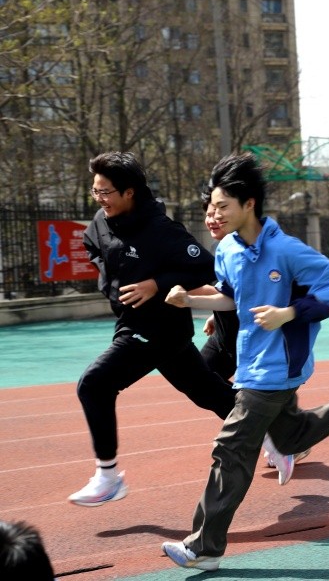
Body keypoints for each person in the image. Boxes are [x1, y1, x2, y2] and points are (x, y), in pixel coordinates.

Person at [161, 153, 329, 571]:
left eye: (222, 206)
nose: (215, 214)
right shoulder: (228, 249)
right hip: (252, 362)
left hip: (276, 366)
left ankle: (204, 547)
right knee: (290, 438)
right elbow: (231, 297)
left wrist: (288, 313)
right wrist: (192, 300)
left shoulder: (286, 249)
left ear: (248, 203)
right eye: (212, 206)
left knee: (232, 449)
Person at [68, 151, 239, 507]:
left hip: (157, 326)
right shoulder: (101, 221)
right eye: (95, 191)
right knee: (208, 392)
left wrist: (156, 284)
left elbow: (205, 268)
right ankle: (276, 433)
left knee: (94, 384)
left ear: (129, 192)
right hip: (136, 322)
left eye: (105, 192)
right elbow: (92, 244)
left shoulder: (162, 230)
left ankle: (108, 477)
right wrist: (111, 278)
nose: (99, 199)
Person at [194, 197, 306, 468]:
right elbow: (230, 291)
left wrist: (180, 291)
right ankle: (279, 437)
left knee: (259, 395)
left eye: (219, 212)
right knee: (199, 379)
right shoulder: (223, 247)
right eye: (209, 214)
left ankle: (279, 439)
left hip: (251, 339)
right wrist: (215, 313)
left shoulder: (257, 249)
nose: (212, 220)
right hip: (224, 336)